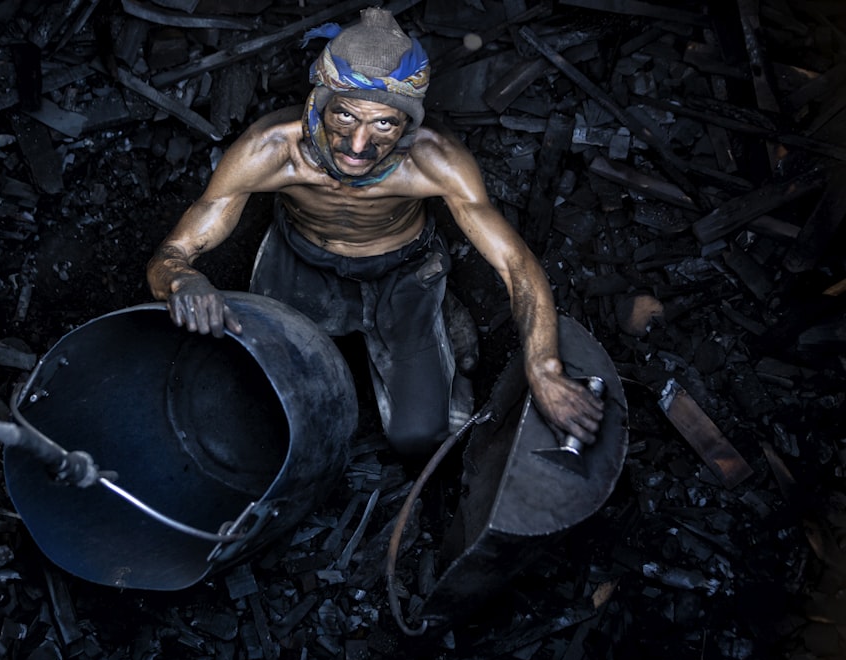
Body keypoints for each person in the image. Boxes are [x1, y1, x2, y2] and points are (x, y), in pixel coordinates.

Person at [146, 8, 603, 459]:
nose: (359, 145)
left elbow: (515, 263)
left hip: (402, 271)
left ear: (409, 124)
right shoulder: (272, 151)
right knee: (260, 412)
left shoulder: (433, 161)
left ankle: (441, 315)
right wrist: (182, 279)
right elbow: (174, 251)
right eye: (344, 116)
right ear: (321, 103)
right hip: (299, 263)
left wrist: (545, 369)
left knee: (420, 440)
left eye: (384, 123)